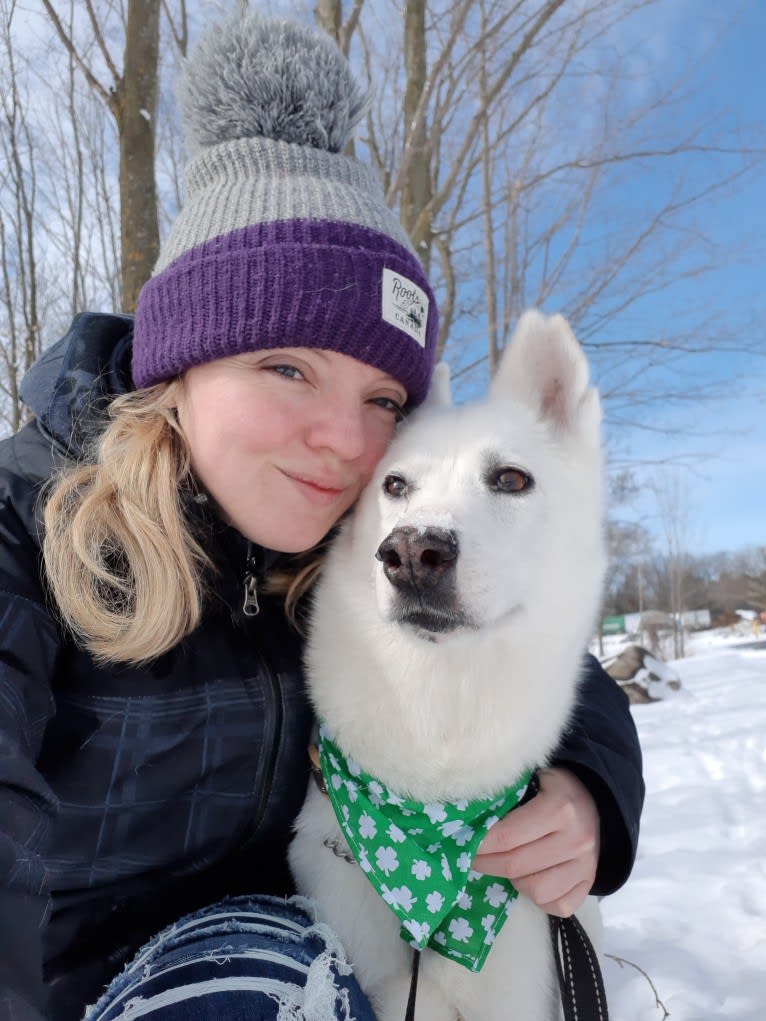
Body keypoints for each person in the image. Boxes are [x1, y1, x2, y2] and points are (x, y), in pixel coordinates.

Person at [0, 13, 644, 1021]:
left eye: (383, 398)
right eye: (287, 367)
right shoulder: (23, 527)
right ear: (179, 368)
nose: (346, 440)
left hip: (284, 953)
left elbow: (542, 631)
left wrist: (592, 787)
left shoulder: (343, 539)